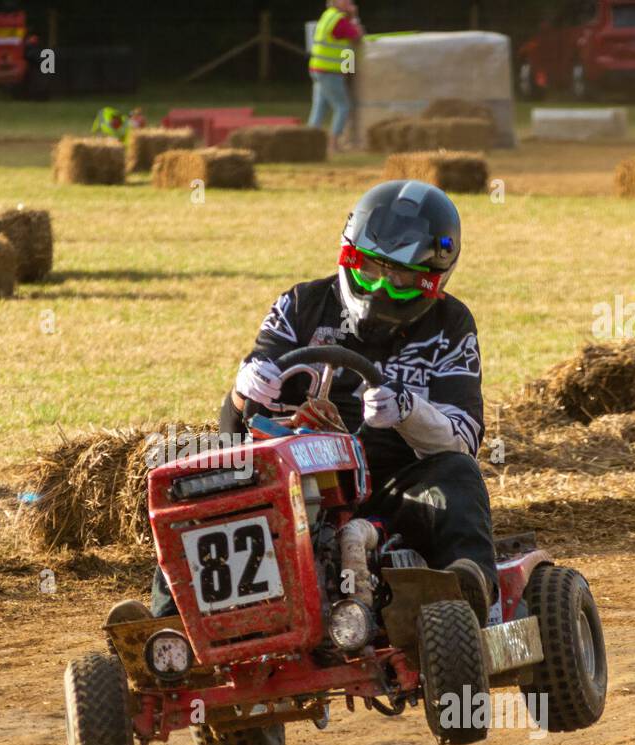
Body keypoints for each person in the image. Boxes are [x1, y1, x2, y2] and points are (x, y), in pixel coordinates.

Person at [151, 180, 497, 624]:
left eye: (403, 279)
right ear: (348, 256)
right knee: (195, 493)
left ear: (433, 280)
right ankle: (167, 629)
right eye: (370, 269)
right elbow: (234, 428)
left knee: (458, 476)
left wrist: (410, 412)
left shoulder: (452, 325)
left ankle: (465, 590)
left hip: (392, 490)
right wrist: (243, 391)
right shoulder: (300, 305)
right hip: (293, 484)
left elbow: (464, 438)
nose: (382, 289)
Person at [308, 0, 364, 154]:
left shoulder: (328, 15)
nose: (349, 2)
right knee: (343, 107)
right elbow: (357, 36)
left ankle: (310, 142)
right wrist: (354, 16)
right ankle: (333, 144)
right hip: (329, 71)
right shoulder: (339, 20)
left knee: (320, 107)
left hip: (318, 68)